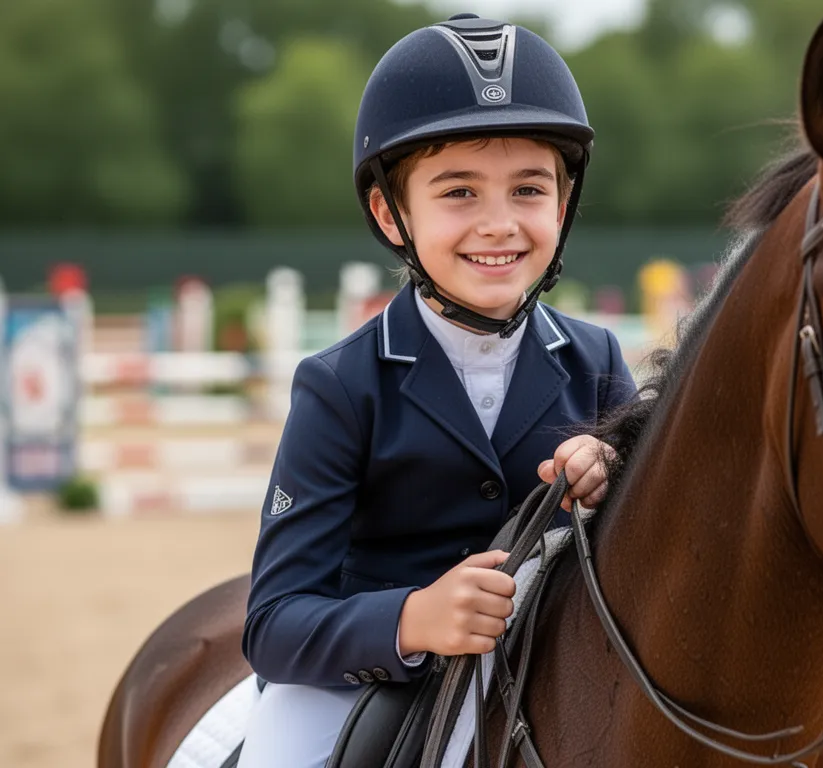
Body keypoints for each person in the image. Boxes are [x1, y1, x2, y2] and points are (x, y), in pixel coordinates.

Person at [237, 13, 636, 768]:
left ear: (562, 204)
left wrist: (610, 474)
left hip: (557, 660)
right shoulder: (338, 387)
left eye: (527, 189)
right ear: (392, 213)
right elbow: (275, 623)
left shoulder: (597, 360)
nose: (499, 225)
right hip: (362, 678)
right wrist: (415, 619)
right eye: (458, 192)